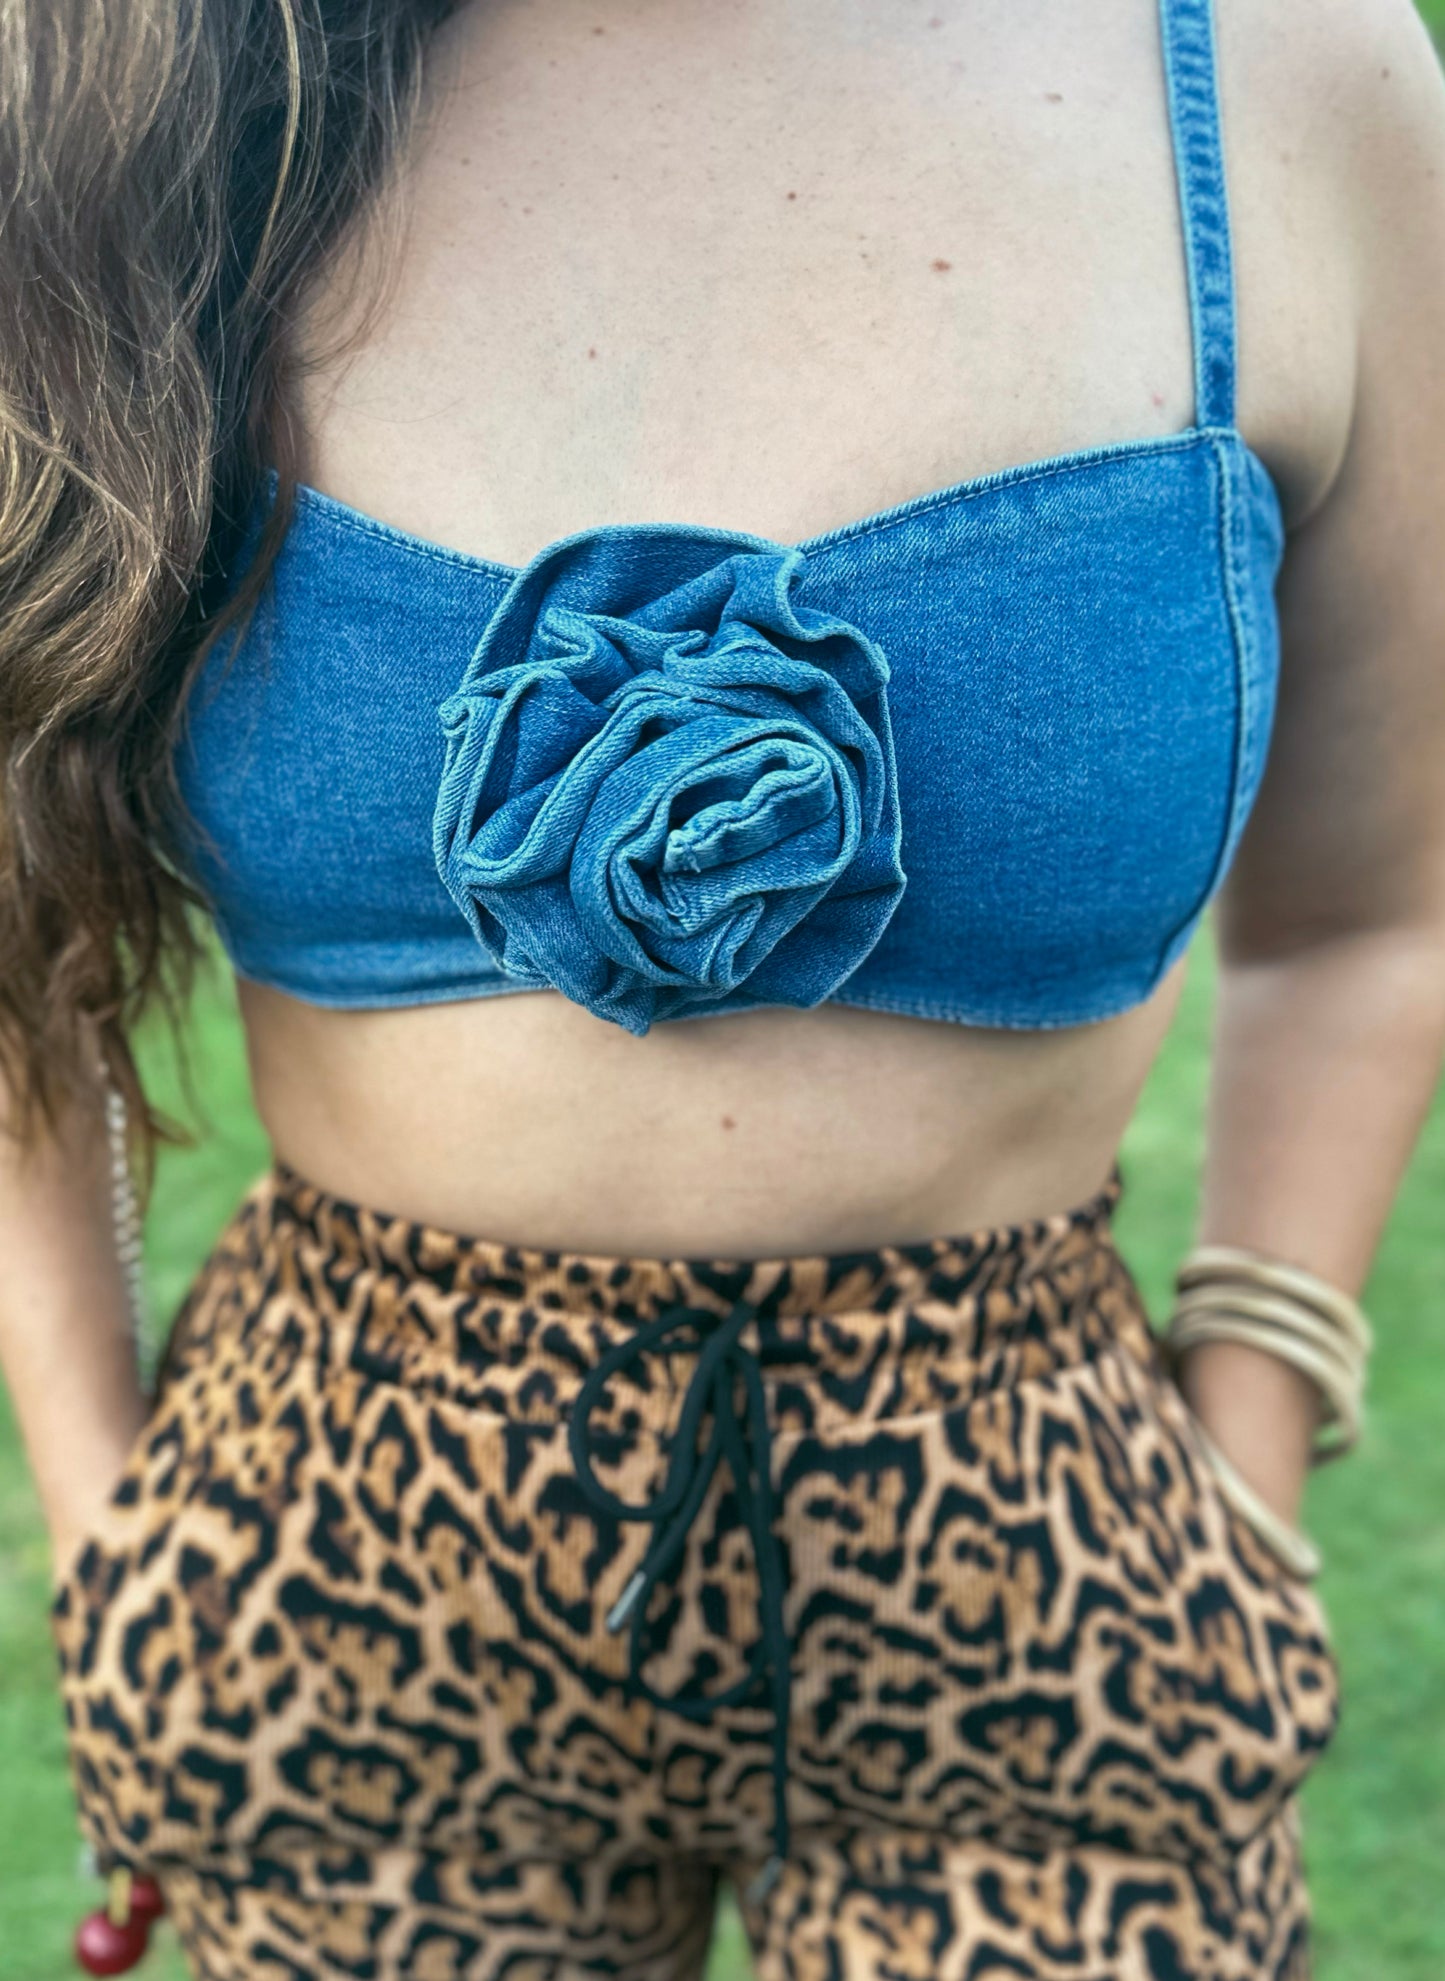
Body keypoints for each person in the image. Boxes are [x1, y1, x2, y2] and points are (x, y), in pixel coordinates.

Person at [3, 1, 1444, 1976]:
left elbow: (1374, 910)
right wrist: (107, 1509)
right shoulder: (137, 85)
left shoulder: (1287, 77)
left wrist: (1260, 1414)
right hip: (350, 1537)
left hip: (1031, 1521)